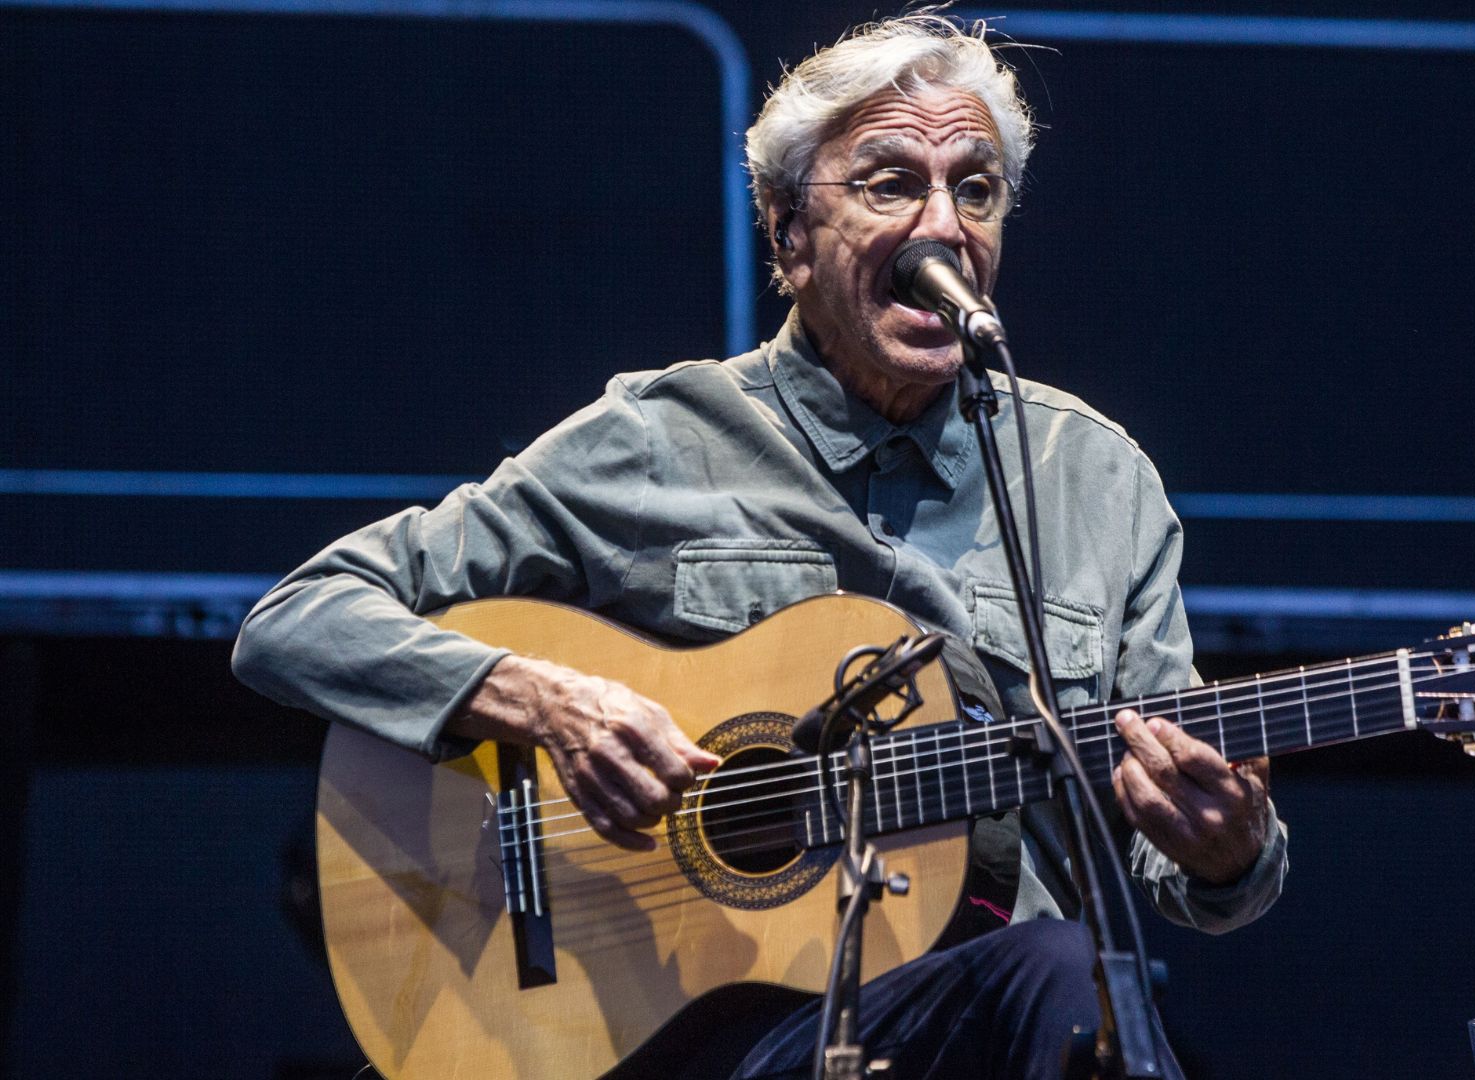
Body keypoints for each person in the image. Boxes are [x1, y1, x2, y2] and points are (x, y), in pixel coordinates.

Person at [232, 12, 1286, 1079]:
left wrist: (1224, 848)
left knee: (1073, 972)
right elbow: (297, 619)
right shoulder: (654, 441)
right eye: (889, 184)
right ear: (787, 231)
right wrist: (545, 703)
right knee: (1062, 971)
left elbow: (1177, 850)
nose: (944, 223)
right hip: (689, 1038)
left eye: (976, 189)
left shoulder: (1098, 483)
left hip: (974, 1017)